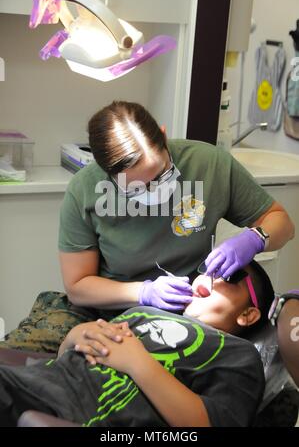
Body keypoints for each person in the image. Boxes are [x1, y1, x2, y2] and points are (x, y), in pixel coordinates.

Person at [0, 101, 294, 354]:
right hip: (102, 310)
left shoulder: (210, 165)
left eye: (161, 173)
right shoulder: (86, 190)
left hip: (182, 310)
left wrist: (256, 237)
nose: (155, 189)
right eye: (139, 186)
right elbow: (79, 287)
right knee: (18, 362)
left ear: (164, 137)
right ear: (109, 174)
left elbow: (281, 222)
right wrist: (142, 292)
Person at [0, 260, 274, 427]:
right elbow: (64, 357)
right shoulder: (144, 312)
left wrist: (138, 363)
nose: (207, 278)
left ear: (248, 314)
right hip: (35, 381)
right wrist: (76, 335)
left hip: (72, 413)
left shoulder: (239, 354)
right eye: (207, 268)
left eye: (229, 275)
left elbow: (210, 423)